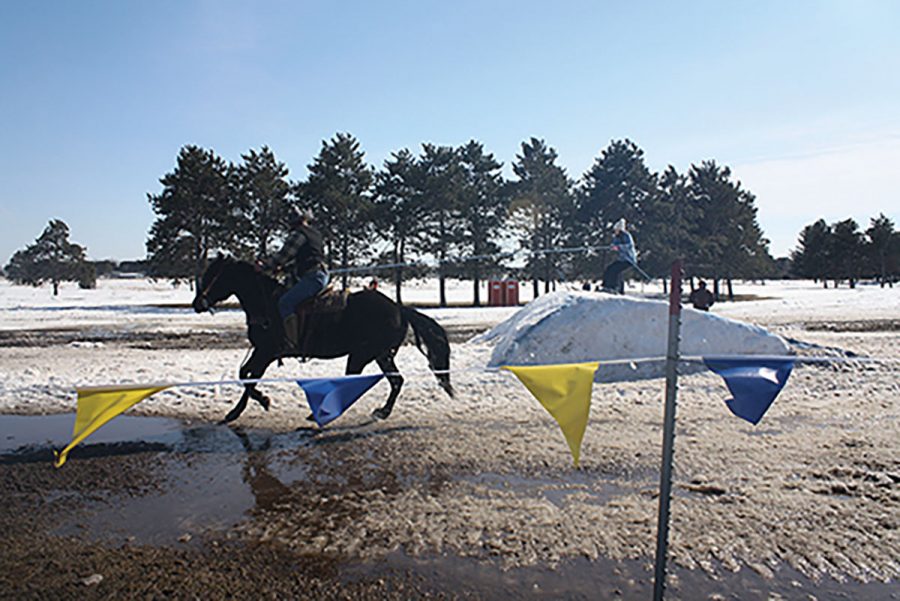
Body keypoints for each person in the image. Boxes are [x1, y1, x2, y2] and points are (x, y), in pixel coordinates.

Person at [258, 208, 328, 349]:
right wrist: (284, 268)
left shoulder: (298, 235)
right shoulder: (316, 234)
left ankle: (292, 342)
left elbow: (283, 256)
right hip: (320, 274)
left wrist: (264, 266)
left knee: (285, 303)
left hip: (311, 277)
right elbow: (304, 259)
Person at [601, 218, 637, 294]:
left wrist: (619, 247)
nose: (615, 232)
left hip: (628, 259)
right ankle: (607, 285)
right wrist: (612, 247)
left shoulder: (626, 236)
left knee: (616, 270)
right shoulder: (617, 237)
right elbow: (614, 244)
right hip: (621, 259)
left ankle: (614, 287)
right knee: (610, 268)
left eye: (616, 230)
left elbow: (628, 246)